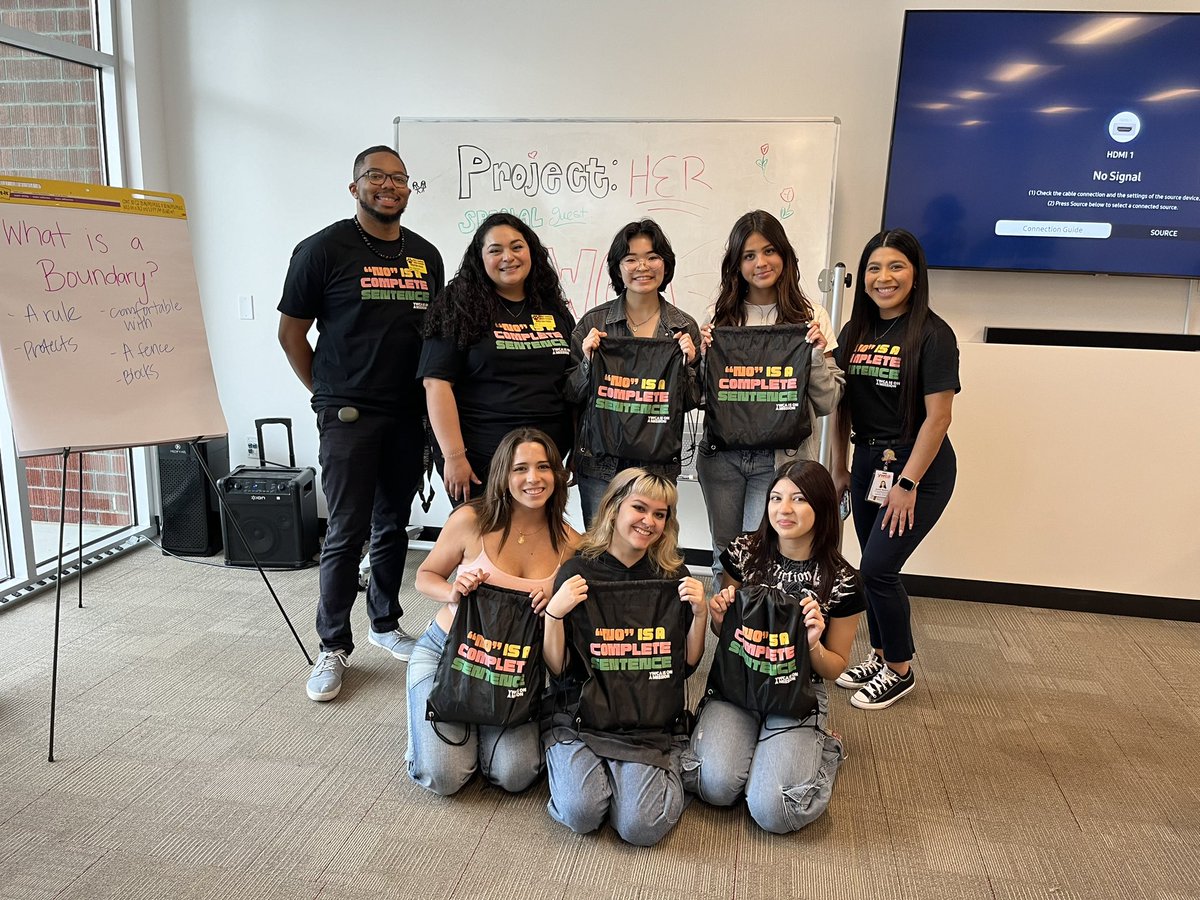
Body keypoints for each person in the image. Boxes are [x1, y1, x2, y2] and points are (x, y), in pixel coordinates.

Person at [278, 145, 444, 702]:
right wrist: (325, 394)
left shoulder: (426, 256)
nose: (388, 186)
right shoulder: (322, 249)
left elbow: (433, 338)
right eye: (376, 177)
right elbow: (291, 334)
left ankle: (384, 622)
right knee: (347, 529)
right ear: (355, 188)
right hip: (347, 413)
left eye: (399, 179)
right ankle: (331, 645)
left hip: (407, 413)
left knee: (393, 523)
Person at [683, 460, 863, 833]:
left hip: (798, 689)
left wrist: (812, 646)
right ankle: (766, 749)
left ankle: (826, 750)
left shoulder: (842, 579)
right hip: (739, 679)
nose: (784, 509)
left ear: (823, 507)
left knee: (775, 809)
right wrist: (719, 619)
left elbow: (836, 667)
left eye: (799, 499)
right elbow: (727, 633)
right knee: (712, 785)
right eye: (776, 498)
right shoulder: (744, 551)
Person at [407, 427, 579, 795]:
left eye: (543, 467)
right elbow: (425, 576)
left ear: (556, 475)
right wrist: (452, 591)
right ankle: (441, 730)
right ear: (503, 475)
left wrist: (555, 612)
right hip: (448, 654)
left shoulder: (571, 544)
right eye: (520, 469)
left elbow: (572, 625)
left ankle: (478, 726)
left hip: (514, 669)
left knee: (515, 775)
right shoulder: (471, 520)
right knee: (445, 777)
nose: (533, 479)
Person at [541, 468, 707, 846]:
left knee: (640, 827)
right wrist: (554, 613)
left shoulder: (672, 575)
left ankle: (673, 763)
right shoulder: (578, 569)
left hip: (646, 722)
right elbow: (558, 668)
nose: (649, 521)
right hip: (582, 718)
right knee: (582, 813)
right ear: (614, 507)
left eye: (660, 514)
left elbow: (685, 667)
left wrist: (699, 615)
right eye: (639, 508)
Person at [830, 228, 959, 710]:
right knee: (870, 570)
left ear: (915, 273)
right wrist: (840, 465)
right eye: (874, 268)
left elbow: (939, 417)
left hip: (917, 465)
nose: (883, 278)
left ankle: (900, 669)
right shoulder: (855, 332)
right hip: (867, 461)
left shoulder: (933, 333)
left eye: (895, 267)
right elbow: (841, 404)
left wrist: (908, 482)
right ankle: (881, 653)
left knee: (879, 569)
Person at [698, 210, 845, 577]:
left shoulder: (812, 317)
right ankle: (727, 633)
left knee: (762, 559)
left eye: (768, 251)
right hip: (722, 458)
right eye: (748, 256)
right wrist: (701, 360)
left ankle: (756, 633)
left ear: (785, 254)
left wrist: (814, 353)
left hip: (778, 461)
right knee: (724, 557)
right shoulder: (718, 318)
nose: (760, 263)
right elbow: (702, 397)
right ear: (736, 264)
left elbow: (828, 402)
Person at [419, 213, 575, 503]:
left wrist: (578, 447)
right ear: (480, 258)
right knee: (483, 544)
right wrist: (453, 457)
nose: (508, 257)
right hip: (480, 461)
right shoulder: (457, 306)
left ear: (532, 252)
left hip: (544, 463)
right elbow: (436, 384)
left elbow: (574, 381)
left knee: (535, 543)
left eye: (517, 247)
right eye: (495, 250)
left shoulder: (553, 307)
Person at [567, 219, 701, 524]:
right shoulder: (594, 323)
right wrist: (588, 362)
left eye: (652, 257)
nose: (643, 266)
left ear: (666, 265)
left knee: (653, 553)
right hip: (601, 464)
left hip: (658, 466)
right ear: (618, 268)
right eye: (631, 259)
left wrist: (689, 367)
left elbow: (694, 400)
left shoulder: (683, 326)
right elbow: (570, 392)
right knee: (599, 552)